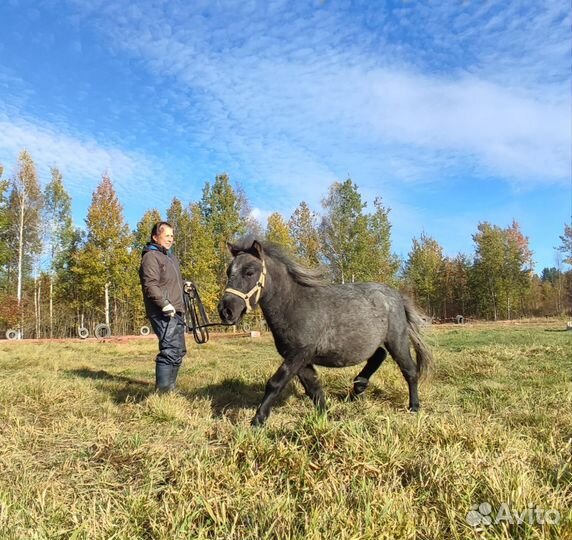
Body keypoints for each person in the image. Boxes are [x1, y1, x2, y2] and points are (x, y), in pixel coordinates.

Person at [139, 221, 189, 393]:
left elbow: (170, 282)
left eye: (172, 236)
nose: (170, 239)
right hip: (163, 311)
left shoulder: (169, 257)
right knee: (169, 350)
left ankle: (170, 389)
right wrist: (164, 304)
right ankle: (163, 393)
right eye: (166, 235)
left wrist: (185, 285)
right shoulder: (151, 257)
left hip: (176, 310)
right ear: (155, 237)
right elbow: (150, 285)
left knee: (178, 350)